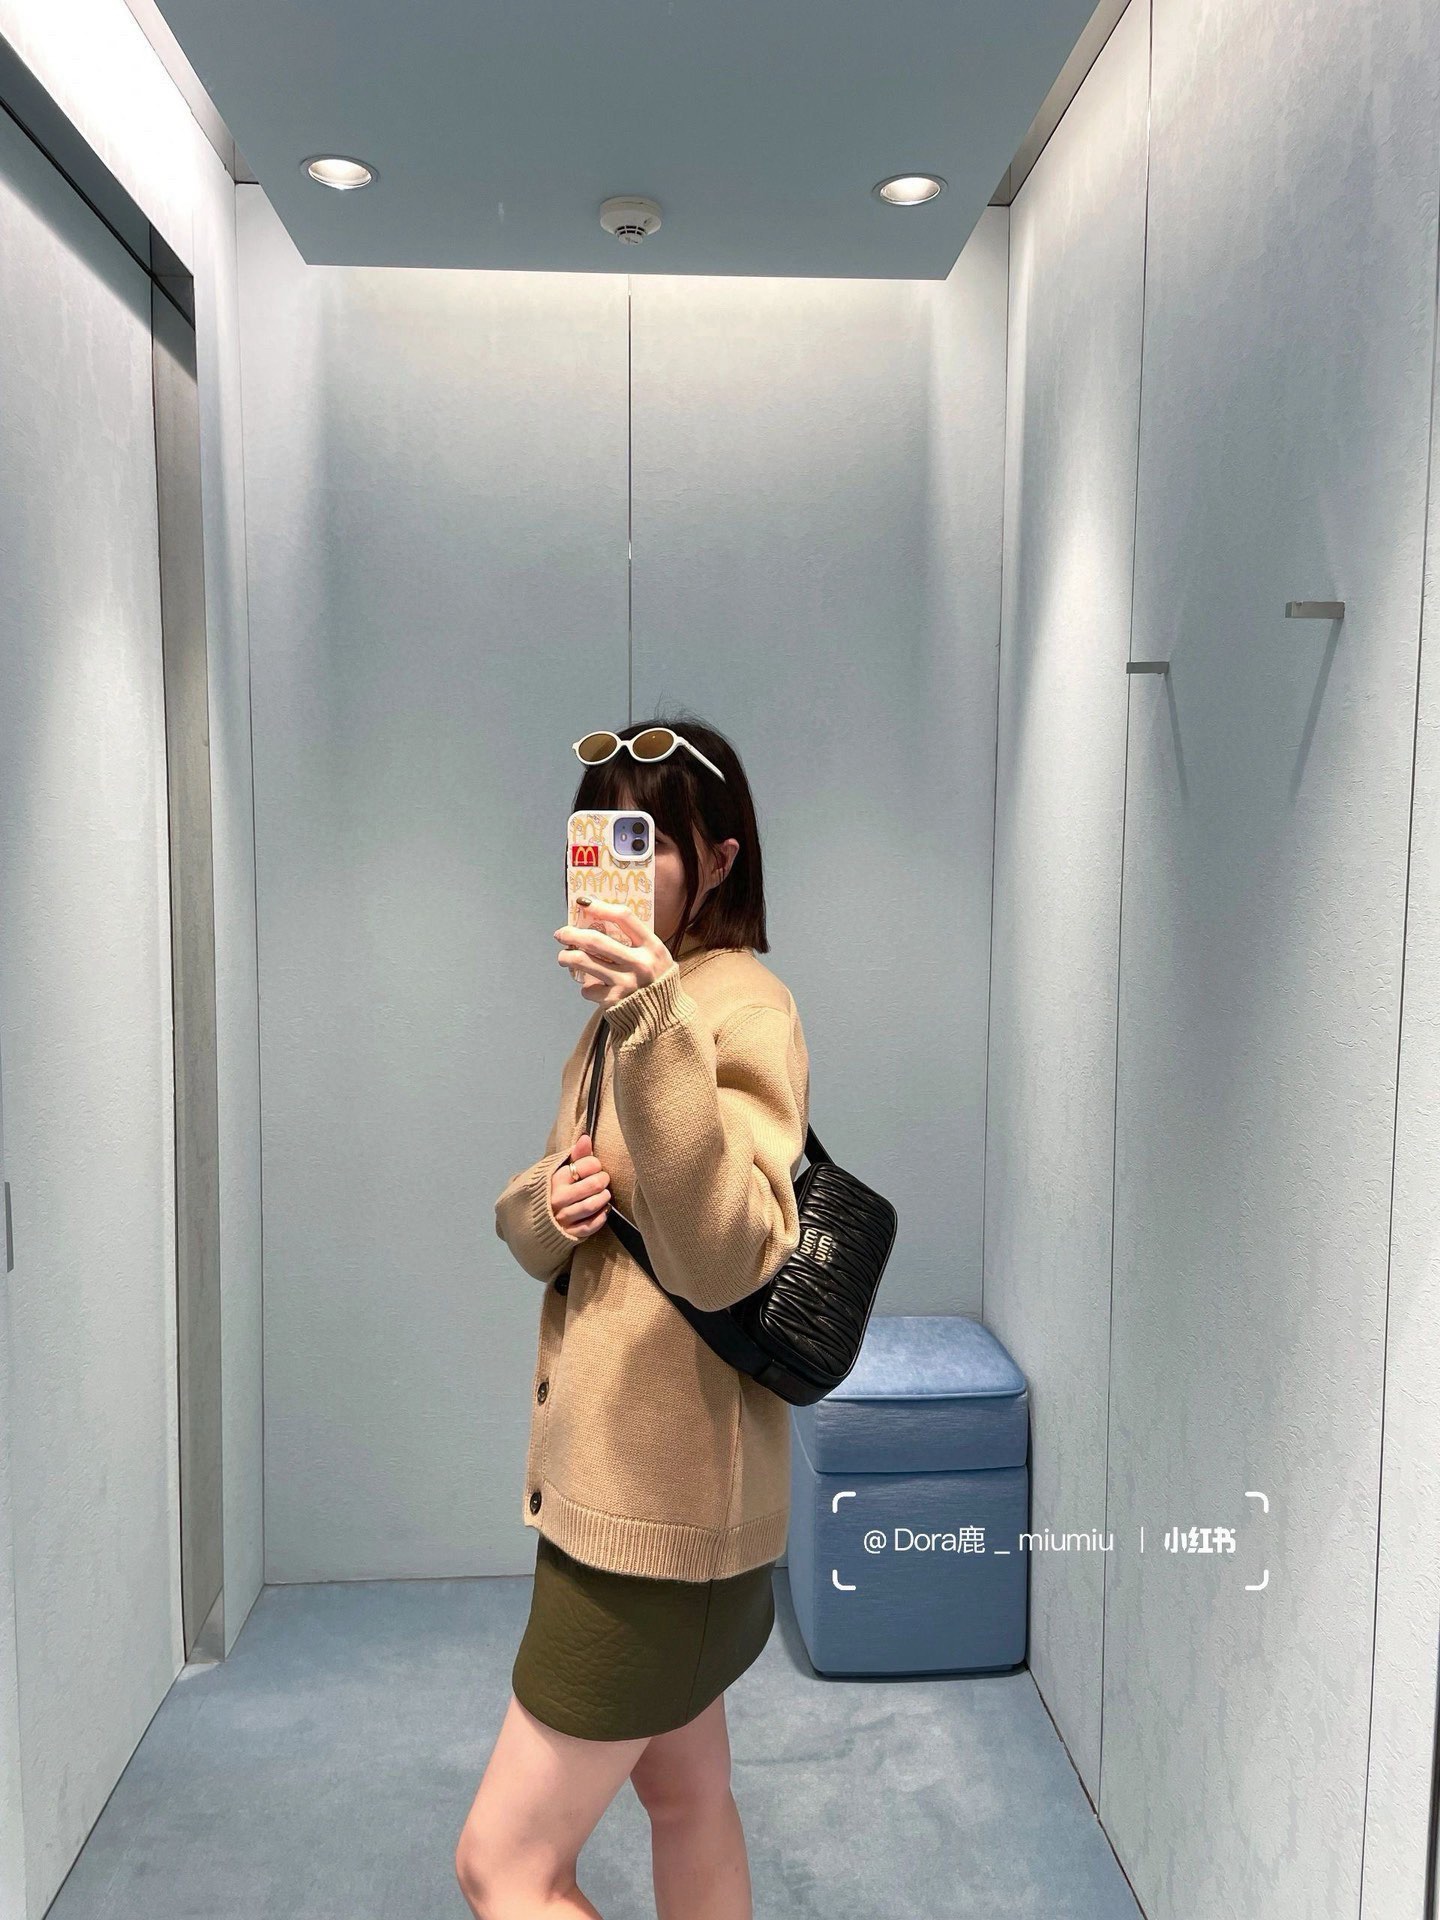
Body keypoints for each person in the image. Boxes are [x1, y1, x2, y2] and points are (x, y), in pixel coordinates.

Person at [456, 716, 809, 1920]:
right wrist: (546, 1204)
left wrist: (654, 1014)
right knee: (687, 1797)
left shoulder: (740, 1010)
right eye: (598, 833)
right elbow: (539, 1234)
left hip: (650, 1530)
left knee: (503, 1866)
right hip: (648, 1501)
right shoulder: (619, 1016)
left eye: (647, 839)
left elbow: (721, 1259)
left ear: (719, 860)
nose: (613, 862)